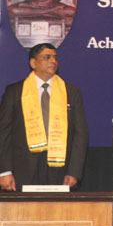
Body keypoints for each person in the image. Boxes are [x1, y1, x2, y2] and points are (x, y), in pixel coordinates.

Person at [0, 43, 89, 190]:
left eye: (55, 57)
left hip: (60, 169)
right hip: (22, 170)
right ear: (33, 63)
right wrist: (4, 171)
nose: (53, 61)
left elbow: (81, 134)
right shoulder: (15, 92)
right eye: (47, 57)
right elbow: (4, 133)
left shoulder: (71, 92)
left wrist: (74, 171)